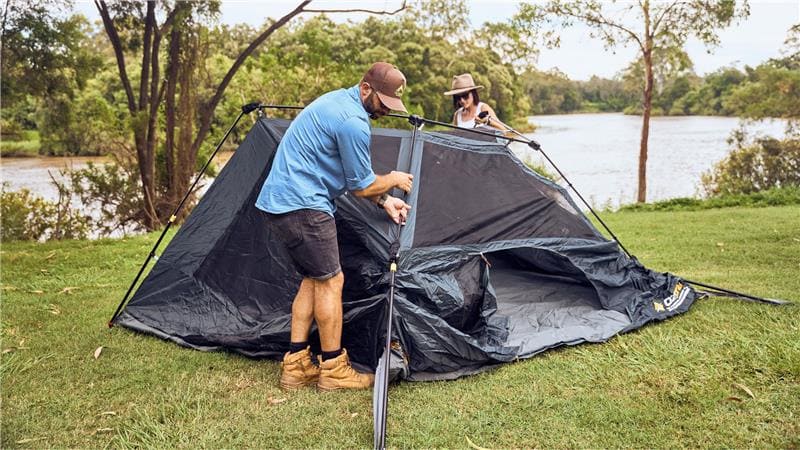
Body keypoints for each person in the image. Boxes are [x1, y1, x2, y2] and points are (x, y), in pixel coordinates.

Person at [255, 62, 414, 391]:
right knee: (331, 281)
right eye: (383, 102)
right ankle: (333, 369)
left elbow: (347, 174)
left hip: (280, 204)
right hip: (304, 206)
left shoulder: (337, 101)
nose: (386, 109)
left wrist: (386, 202)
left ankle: (297, 365)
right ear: (365, 88)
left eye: (391, 104)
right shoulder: (353, 122)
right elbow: (361, 185)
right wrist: (394, 180)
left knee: (313, 280)